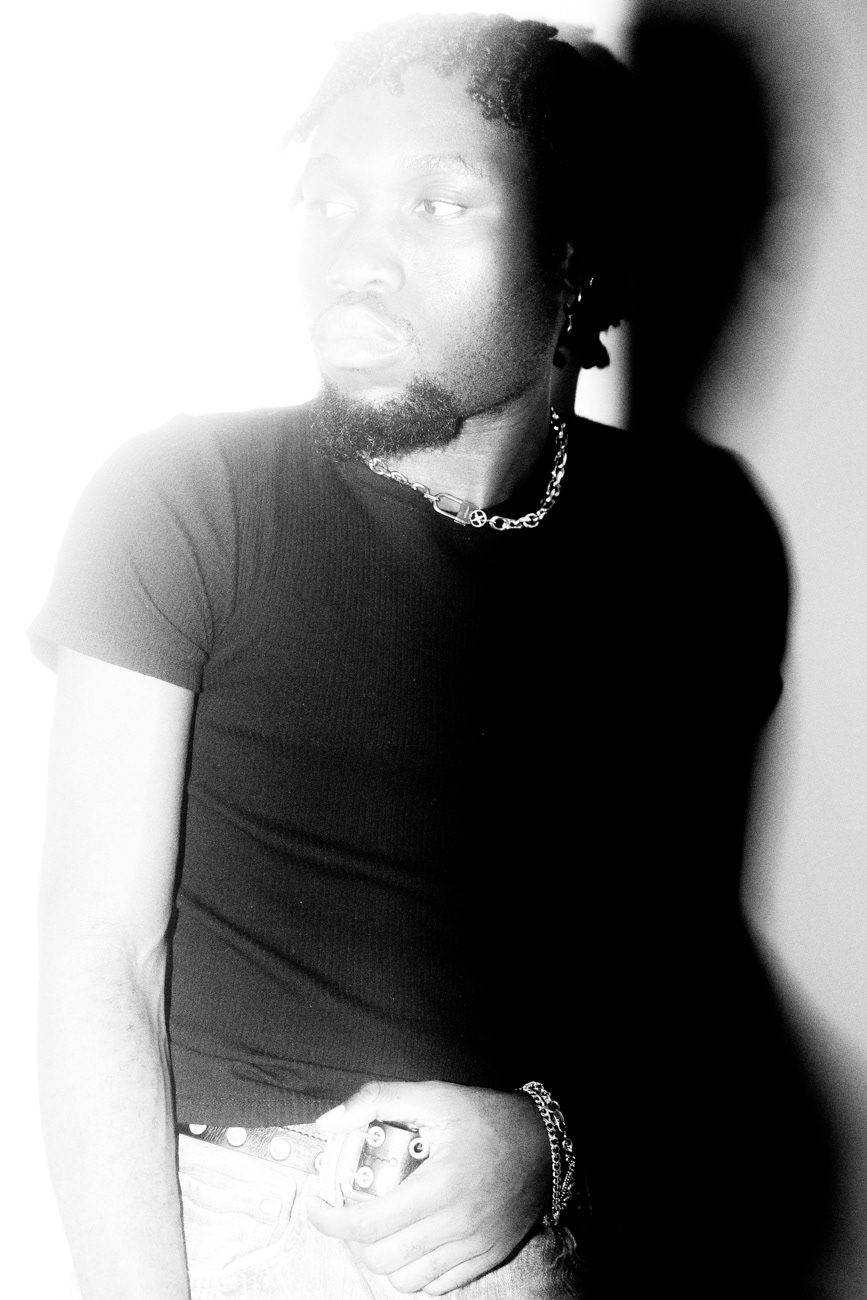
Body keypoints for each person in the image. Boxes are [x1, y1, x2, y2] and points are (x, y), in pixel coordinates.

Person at [31, 13, 822, 1300]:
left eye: (436, 204)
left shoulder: (694, 541)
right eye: (329, 201)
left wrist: (548, 1145)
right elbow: (96, 963)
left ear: (572, 258)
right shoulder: (183, 498)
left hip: (549, 1242)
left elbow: (676, 962)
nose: (356, 256)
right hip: (229, 1228)